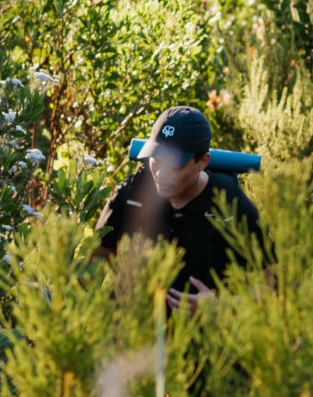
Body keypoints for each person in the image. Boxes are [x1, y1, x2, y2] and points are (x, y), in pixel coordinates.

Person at [94, 106, 263, 313]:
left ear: (202, 162)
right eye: (156, 159)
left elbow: (270, 282)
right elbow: (96, 258)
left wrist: (221, 306)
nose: (160, 172)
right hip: (137, 326)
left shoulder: (230, 204)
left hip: (206, 329)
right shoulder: (132, 193)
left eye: (173, 164)